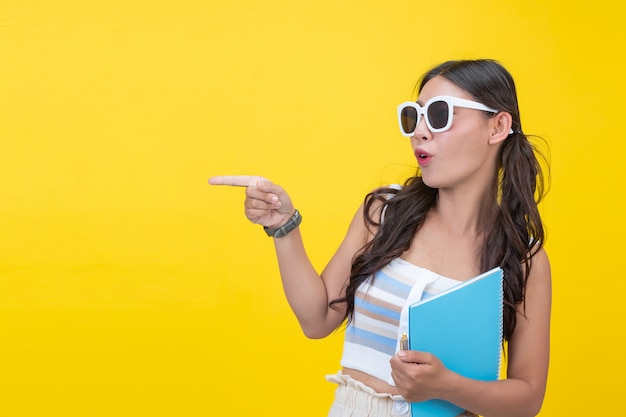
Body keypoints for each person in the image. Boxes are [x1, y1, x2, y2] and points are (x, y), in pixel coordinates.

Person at [209, 59, 551, 417]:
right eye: (413, 117)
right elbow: (317, 319)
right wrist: (284, 227)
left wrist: (446, 386)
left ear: (497, 126)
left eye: (439, 115)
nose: (419, 132)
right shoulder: (385, 212)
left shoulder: (523, 259)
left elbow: (527, 400)